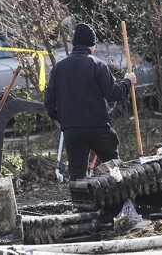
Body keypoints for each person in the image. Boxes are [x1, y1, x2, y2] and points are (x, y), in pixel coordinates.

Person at [45, 23, 136, 180]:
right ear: (92, 45)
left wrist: (62, 120)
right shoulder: (97, 64)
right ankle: (120, 200)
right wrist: (127, 82)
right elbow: (114, 94)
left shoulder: (58, 68)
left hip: (72, 129)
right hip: (98, 127)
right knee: (113, 168)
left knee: (77, 175)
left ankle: (80, 203)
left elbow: (49, 103)